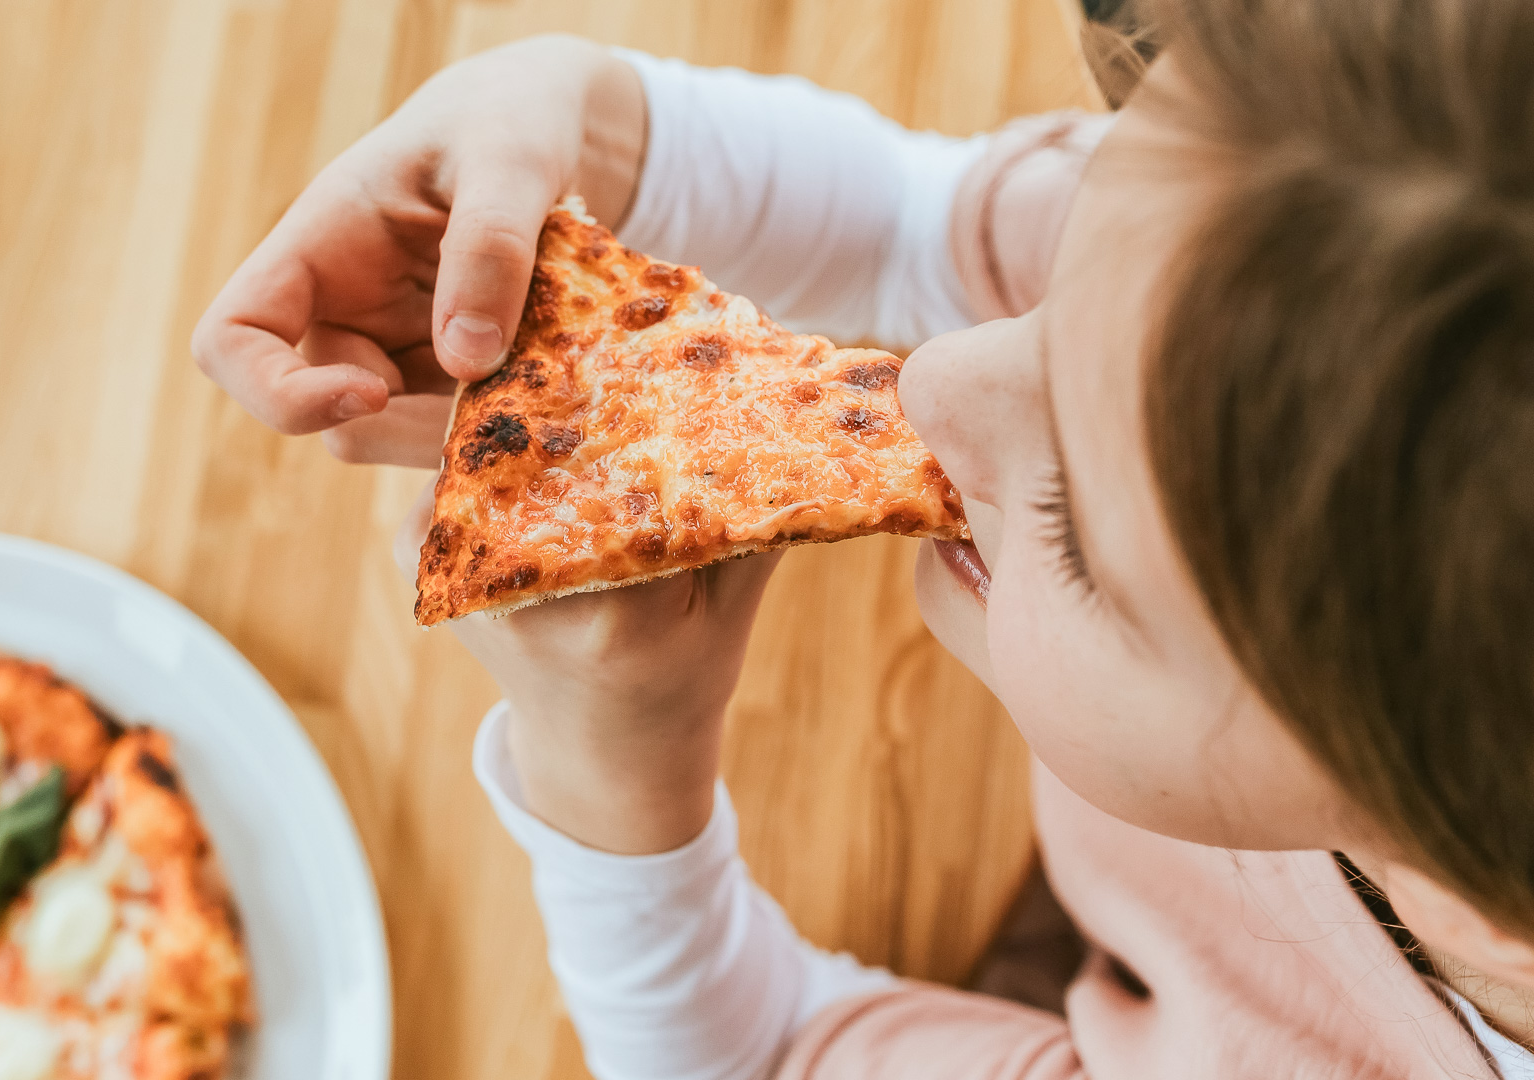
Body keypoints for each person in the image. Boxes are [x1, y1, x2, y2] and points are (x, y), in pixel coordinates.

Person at [191, 0, 1534, 1075]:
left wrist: (614, 769)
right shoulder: (1359, 225)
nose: (931, 379)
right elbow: (918, 222)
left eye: (1068, 526)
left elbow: (769, 1055)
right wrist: (592, 133)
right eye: (1059, 285)